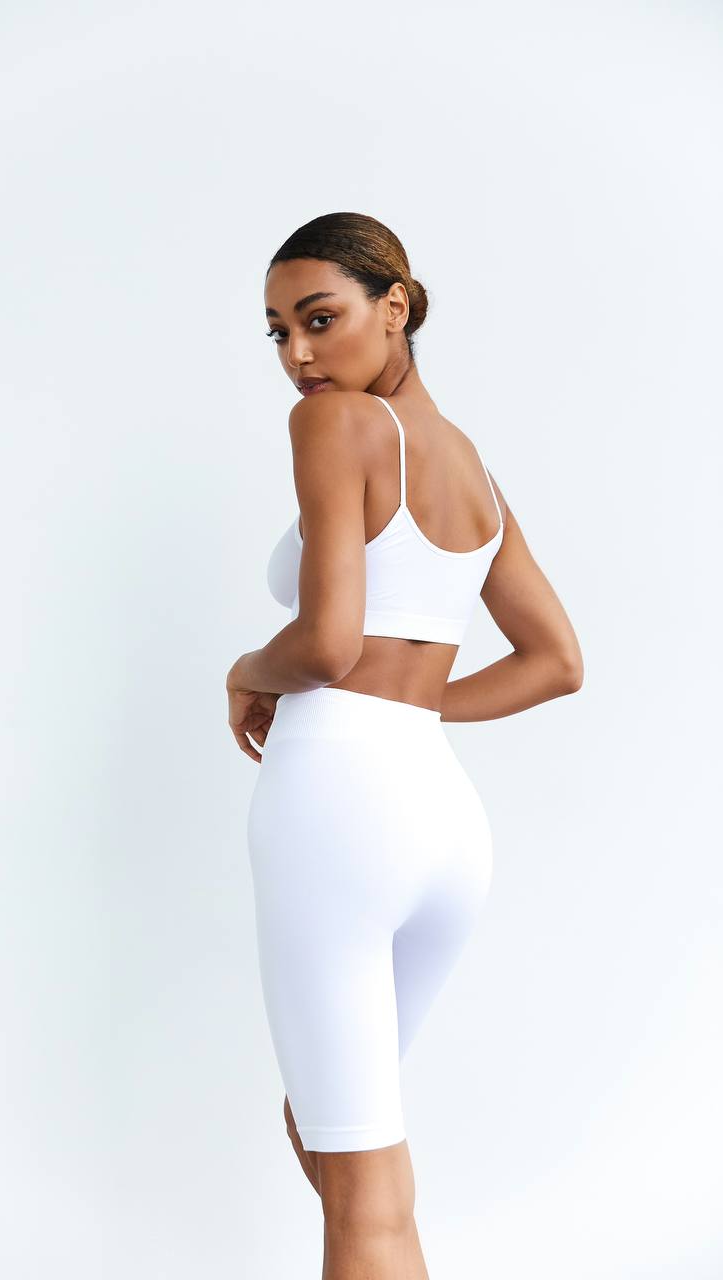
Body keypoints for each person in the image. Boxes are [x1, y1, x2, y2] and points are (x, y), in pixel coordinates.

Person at [226, 211, 583, 1280]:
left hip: (337, 809)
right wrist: (411, 709)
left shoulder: (333, 424)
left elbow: (327, 643)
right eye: (278, 332)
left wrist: (246, 669)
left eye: (319, 319)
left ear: (396, 306)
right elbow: (555, 660)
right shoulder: (468, 466)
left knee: (360, 1190)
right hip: (440, 820)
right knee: (340, 1145)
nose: (298, 355)